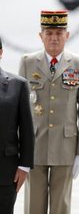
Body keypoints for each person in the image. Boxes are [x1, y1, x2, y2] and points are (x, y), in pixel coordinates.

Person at [19, 10, 79, 214]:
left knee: (61, 206)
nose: (54, 38)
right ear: (40, 36)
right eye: (49, 33)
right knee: (33, 206)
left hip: (65, 146)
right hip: (35, 145)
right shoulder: (28, 62)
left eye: (59, 33)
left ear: (67, 35)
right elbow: (20, 109)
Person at [0, 37, 34, 214]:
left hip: (6, 171)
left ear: (0, 53)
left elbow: (27, 128)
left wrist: (24, 166)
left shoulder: (18, 85)